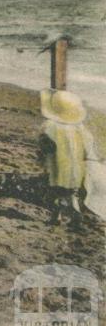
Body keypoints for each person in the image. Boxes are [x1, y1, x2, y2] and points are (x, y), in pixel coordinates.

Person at [38, 89, 103, 226]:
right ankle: (73, 216)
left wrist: (43, 159)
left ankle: (58, 217)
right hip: (77, 170)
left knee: (53, 195)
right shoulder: (80, 128)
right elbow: (88, 147)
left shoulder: (49, 127)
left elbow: (45, 148)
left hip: (58, 170)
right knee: (71, 194)